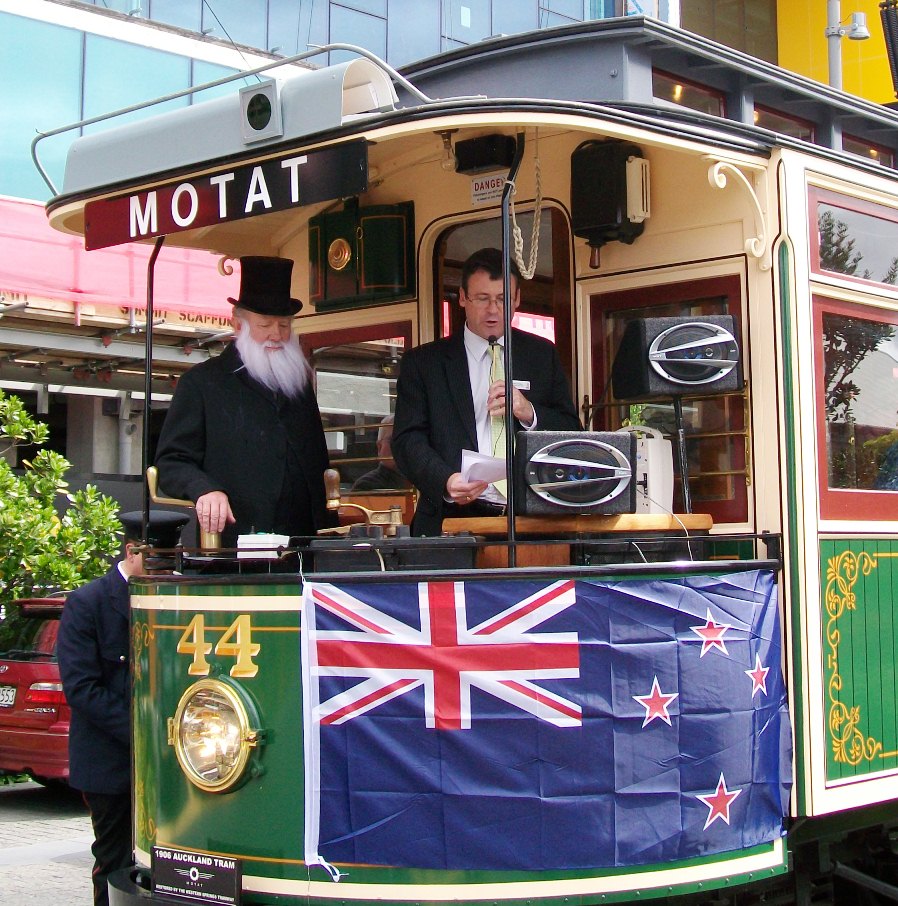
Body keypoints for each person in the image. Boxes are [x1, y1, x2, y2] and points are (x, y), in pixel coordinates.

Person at [392, 247, 581, 535]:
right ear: (463, 297)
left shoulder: (541, 355)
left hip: (532, 521)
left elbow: (572, 432)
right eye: (482, 298)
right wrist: (445, 480)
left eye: (503, 299)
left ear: (517, 299)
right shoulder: (424, 363)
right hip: (451, 519)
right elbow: (407, 440)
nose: (493, 310)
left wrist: (528, 412)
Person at [154, 256, 333, 547]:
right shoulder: (202, 383)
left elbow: (317, 462)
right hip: (236, 543)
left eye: (284, 325)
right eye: (265, 325)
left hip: (303, 543)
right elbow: (171, 462)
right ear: (238, 325)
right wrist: (204, 489)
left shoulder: (298, 385)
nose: (277, 334)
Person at [57, 509, 188, 906]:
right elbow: (82, 688)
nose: (166, 571)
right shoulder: (88, 603)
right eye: (157, 561)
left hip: (175, 763)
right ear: (132, 552)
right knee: (115, 862)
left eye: (171, 561)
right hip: (112, 763)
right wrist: (146, 733)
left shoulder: (179, 595)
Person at [351, 415, 411, 491]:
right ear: (379, 447)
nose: (400, 446)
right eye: (392, 440)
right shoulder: (366, 485)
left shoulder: (420, 479)